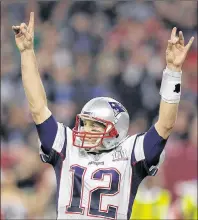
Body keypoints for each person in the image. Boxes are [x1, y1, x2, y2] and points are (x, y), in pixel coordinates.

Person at [12, 12, 194, 220]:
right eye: (85, 123)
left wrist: (173, 71)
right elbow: (38, 108)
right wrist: (27, 52)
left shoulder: (130, 153)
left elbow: (165, 125)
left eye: (95, 126)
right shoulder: (68, 146)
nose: (86, 130)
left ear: (116, 131)